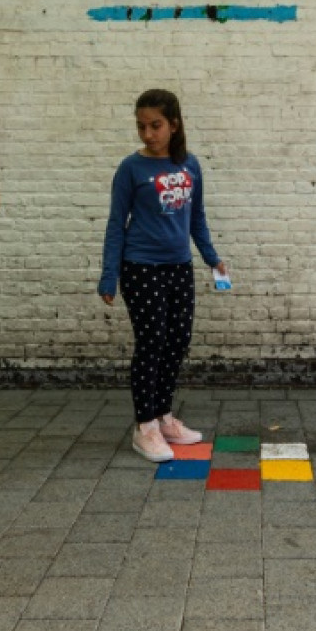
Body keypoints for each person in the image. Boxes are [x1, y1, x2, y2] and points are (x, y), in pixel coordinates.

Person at [100, 89, 226, 462]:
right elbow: (115, 224)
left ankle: (164, 415)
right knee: (151, 342)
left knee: (176, 340)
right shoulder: (131, 169)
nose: (148, 134)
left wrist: (211, 258)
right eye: (141, 126)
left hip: (178, 267)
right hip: (141, 268)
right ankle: (145, 427)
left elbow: (196, 218)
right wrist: (109, 276)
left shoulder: (189, 165)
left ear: (173, 124)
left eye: (155, 126)